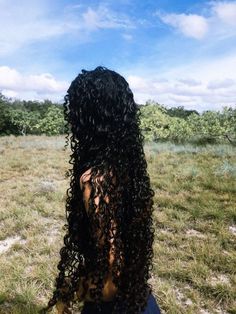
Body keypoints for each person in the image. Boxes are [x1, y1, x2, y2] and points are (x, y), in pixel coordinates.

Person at [40, 66, 161, 314]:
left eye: (75, 111)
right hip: (140, 297)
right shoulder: (130, 169)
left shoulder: (96, 181)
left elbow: (111, 278)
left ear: (88, 120)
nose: (72, 119)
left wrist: (72, 291)